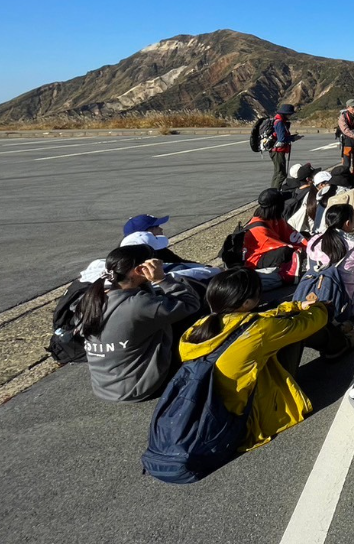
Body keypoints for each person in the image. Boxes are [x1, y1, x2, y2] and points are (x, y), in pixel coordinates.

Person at [179, 269, 330, 451]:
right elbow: (311, 322)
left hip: (211, 413)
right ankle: (341, 345)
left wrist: (294, 305)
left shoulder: (197, 329)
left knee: (278, 329)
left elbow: (255, 319)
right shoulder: (259, 330)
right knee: (292, 329)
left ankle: (340, 341)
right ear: (247, 302)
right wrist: (317, 307)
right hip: (246, 422)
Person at [78, 245, 203, 402]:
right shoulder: (138, 304)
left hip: (105, 388)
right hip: (138, 389)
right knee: (191, 318)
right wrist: (162, 279)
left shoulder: (93, 297)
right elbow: (190, 304)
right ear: (140, 269)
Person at [245, 188, 308, 288]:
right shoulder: (258, 227)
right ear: (277, 206)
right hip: (255, 260)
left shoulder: (275, 218)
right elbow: (278, 245)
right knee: (286, 251)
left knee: (300, 241)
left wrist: (309, 245)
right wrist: (300, 249)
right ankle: (286, 273)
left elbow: (290, 234)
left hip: (267, 252)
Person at [270, 103, 299, 188]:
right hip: (278, 151)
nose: (290, 116)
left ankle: (273, 191)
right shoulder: (279, 123)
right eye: (289, 114)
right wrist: (293, 138)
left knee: (278, 173)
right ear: (285, 114)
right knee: (281, 174)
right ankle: (275, 192)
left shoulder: (277, 121)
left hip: (275, 150)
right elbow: (282, 139)